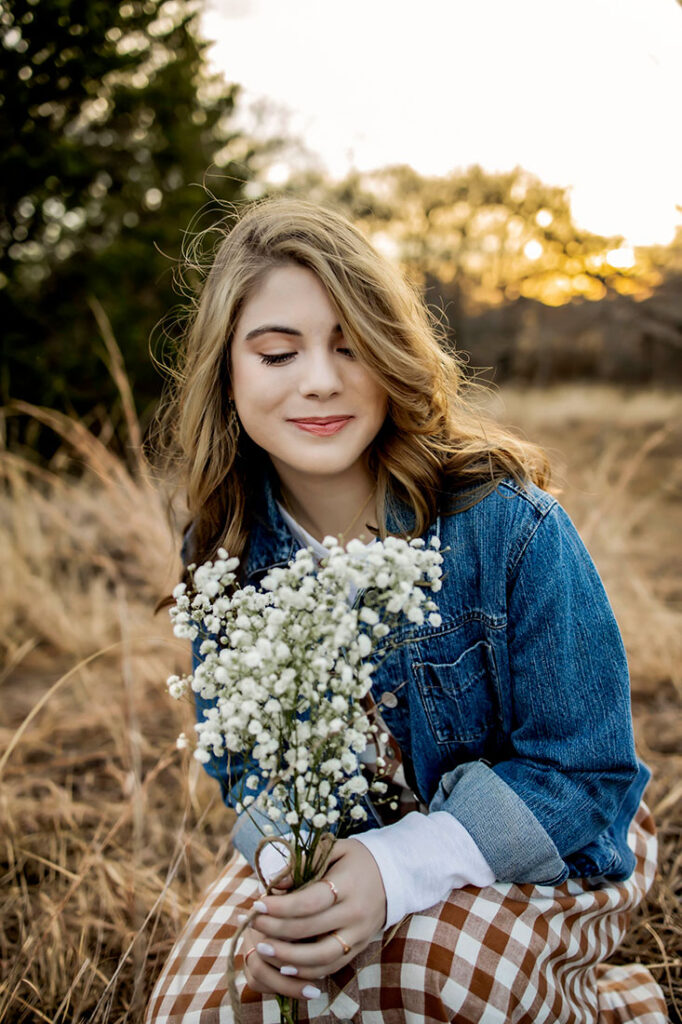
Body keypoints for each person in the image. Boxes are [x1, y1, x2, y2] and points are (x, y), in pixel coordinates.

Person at [146, 196, 667, 1023]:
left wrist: (396, 870)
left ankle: (606, 1004)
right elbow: (243, 764)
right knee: (209, 1001)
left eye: (352, 347)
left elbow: (586, 771)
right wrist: (298, 883)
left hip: (539, 836)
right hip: (334, 847)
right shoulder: (226, 549)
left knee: (427, 978)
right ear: (229, 373)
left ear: (394, 357)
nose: (320, 379)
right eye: (278, 353)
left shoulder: (506, 526)